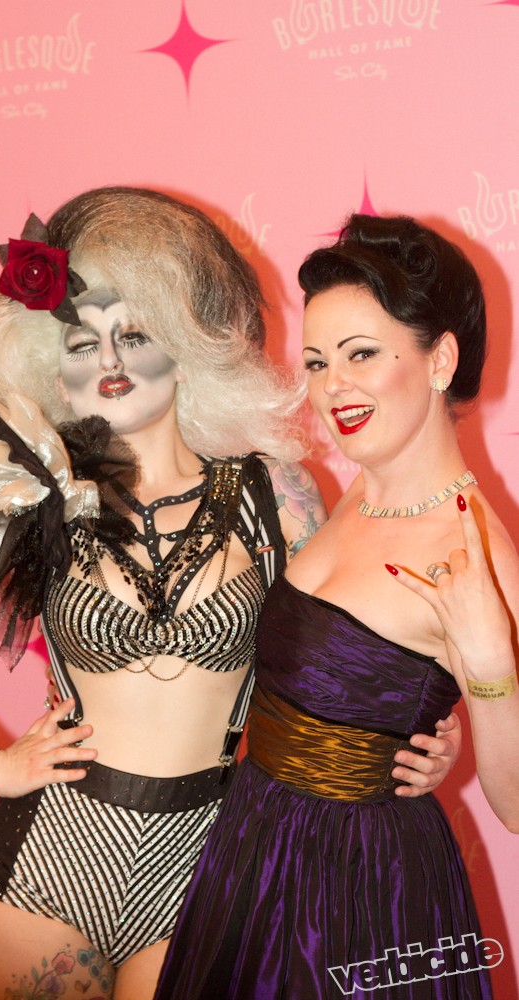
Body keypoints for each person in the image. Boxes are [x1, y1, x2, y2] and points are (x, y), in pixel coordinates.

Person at [0, 193, 460, 1000]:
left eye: (133, 334)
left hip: (205, 863)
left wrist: (424, 729)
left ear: (182, 342)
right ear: (52, 361)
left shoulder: (275, 493)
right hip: (45, 864)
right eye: (81, 340)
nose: (108, 358)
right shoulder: (22, 482)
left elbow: (340, 643)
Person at [155, 214, 519, 1000]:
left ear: (439, 360)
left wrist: (489, 668)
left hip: (358, 891)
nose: (330, 388)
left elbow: (516, 806)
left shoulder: (476, 557)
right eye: (317, 362)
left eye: (361, 355)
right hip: (254, 849)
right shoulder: (359, 490)